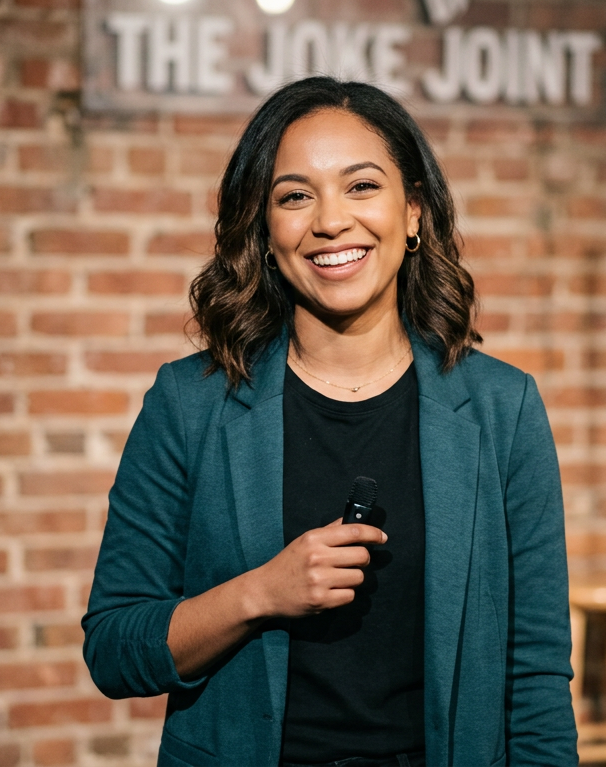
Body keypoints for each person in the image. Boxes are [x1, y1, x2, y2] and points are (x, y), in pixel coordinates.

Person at [82, 76, 577, 767]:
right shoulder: (189, 404)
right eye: (295, 196)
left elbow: (536, 675)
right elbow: (114, 649)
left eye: (361, 186)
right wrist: (261, 593)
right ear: (264, 229)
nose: (330, 221)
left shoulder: (502, 408)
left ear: (413, 212)